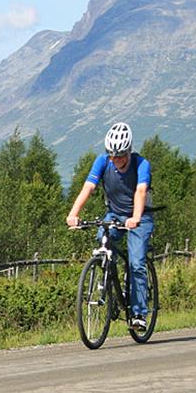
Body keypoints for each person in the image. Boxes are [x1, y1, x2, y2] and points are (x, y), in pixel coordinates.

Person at [66, 122, 153, 330]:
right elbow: (88, 187)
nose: (116, 160)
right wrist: (73, 214)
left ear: (129, 152)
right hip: (114, 214)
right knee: (102, 242)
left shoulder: (141, 165)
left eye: (120, 156)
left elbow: (140, 192)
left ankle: (139, 313)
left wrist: (136, 217)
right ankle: (106, 278)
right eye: (112, 155)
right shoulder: (102, 162)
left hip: (139, 216)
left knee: (137, 262)